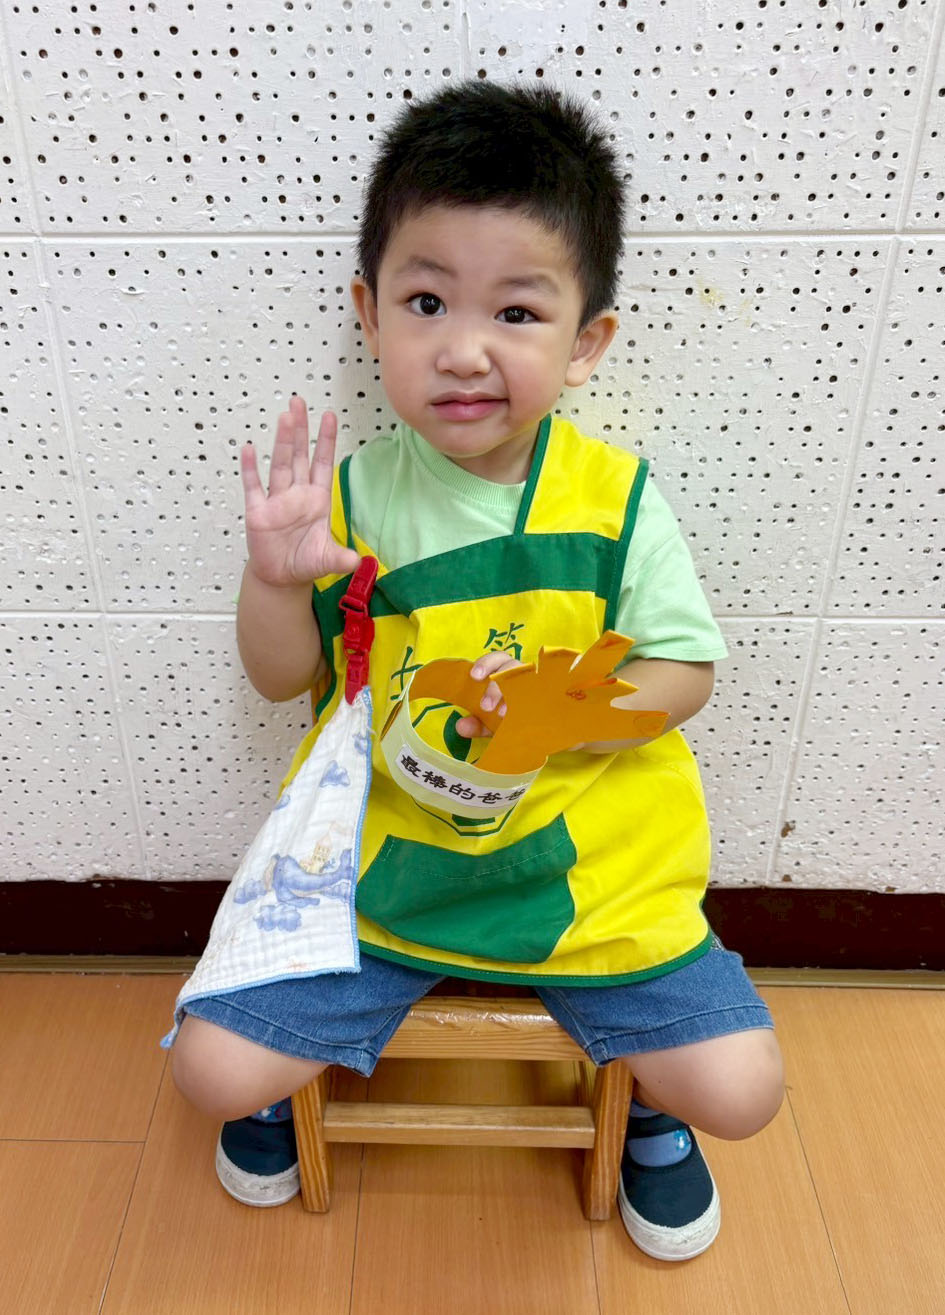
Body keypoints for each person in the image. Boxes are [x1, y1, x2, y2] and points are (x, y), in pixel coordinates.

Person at [170, 80, 783, 1261]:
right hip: (386, 869)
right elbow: (280, 679)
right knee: (208, 1071)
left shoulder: (615, 498)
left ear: (585, 340)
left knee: (744, 1090)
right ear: (370, 314)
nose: (463, 348)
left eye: (516, 310)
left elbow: (687, 675)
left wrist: (569, 712)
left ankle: (648, 1100)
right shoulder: (351, 496)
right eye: (426, 300)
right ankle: (281, 1087)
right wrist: (272, 579)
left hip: (588, 869)